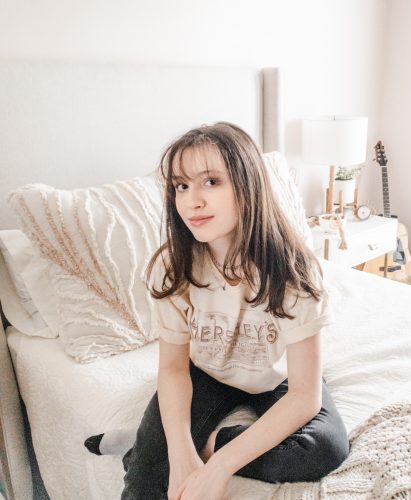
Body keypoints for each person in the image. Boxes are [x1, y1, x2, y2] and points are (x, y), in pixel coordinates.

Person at [84, 122, 349, 500]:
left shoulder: (293, 270)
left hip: (278, 378)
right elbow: (173, 369)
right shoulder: (173, 267)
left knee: (324, 449)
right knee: (147, 481)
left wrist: (219, 463)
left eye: (211, 182)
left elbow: (305, 396)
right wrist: (178, 452)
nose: (192, 201)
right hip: (204, 374)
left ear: (247, 185)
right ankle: (145, 446)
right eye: (181, 186)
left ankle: (174, 443)